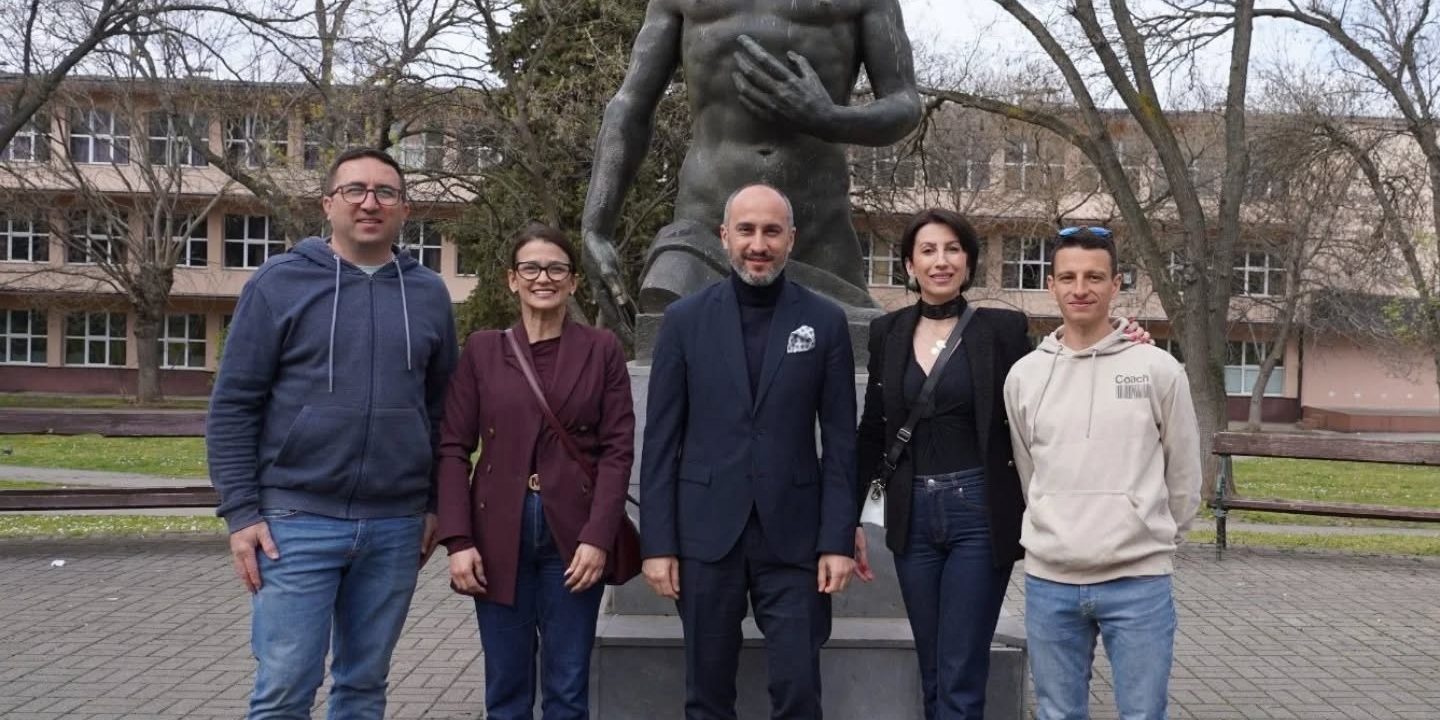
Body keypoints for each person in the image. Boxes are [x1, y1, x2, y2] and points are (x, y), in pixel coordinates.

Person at [206, 147, 458, 719]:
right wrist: (241, 514)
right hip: (296, 521)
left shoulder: (428, 294)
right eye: (355, 190)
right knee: (285, 688)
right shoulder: (279, 283)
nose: (370, 203)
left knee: (364, 687)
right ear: (328, 203)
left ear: (404, 209)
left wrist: (434, 505)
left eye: (385, 192)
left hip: (395, 525)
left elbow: (443, 410)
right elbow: (234, 405)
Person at [640, 183, 858, 719]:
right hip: (706, 536)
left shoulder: (825, 321)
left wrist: (837, 540)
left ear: (791, 239)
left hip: (795, 540)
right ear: (724, 236)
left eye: (771, 231)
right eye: (746, 230)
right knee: (707, 695)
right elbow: (661, 442)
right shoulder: (684, 321)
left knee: (799, 690)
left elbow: (840, 443)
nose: (758, 244)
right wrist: (658, 544)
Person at [580, 0, 921, 320]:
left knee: (846, 351)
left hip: (817, 231)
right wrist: (596, 227)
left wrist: (829, 119)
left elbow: (904, 103)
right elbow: (630, 106)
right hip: (706, 229)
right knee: (680, 345)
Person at [435, 223, 638, 720]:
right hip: (496, 533)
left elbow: (617, 451)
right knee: (506, 689)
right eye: (530, 268)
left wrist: (599, 537)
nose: (542, 278)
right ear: (512, 279)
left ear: (573, 282)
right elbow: (453, 448)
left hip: (573, 535)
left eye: (555, 269)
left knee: (567, 688)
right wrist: (458, 541)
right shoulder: (483, 350)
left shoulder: (602, 349)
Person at [1002, 226, 1202, 720]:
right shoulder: (1024, 376)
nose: (1081, 289)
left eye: (1094, 277)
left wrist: (1152, 534)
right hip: (1050, 581)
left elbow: (1183, 473)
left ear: (1116, 285)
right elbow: (1029, 471)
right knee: (1057, 713)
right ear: (1051, 285)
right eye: (1068, 277)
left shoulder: (1158, 369)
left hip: (1138, 581)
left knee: (1143, 714)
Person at [853, 209, 1030, 720]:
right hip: (912, 516)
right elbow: (873, 431)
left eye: (952, 249)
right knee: (932, 669)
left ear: (969, 261)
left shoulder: (1003, 330)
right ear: (910, 265)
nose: (941, 261)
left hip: (978, 512)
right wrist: (850, 518)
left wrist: (1125, 333)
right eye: (928, 251)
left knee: (961, 671)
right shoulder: (886, 331)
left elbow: (1050, 382)